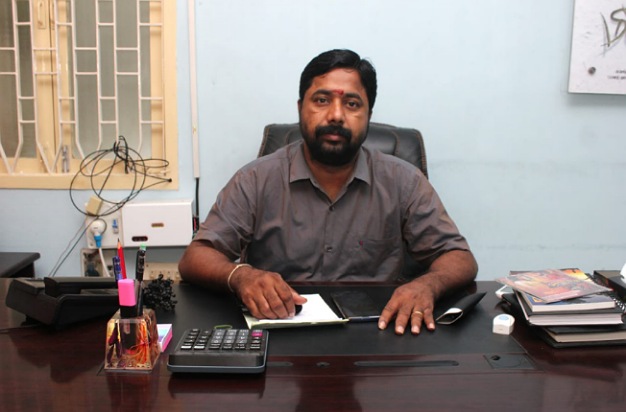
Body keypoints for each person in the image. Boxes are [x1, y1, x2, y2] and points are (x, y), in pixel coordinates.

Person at [179, 49, 478, 335]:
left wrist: (427, 285)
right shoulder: (256, 179)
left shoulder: (404, 181)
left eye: (352, 104)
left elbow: (459, 257)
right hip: (279, 331)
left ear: (369, 114)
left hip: (377, 334)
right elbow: (196, 257)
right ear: (300, 108)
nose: (336, 115)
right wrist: (241, 275)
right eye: (321, 100)